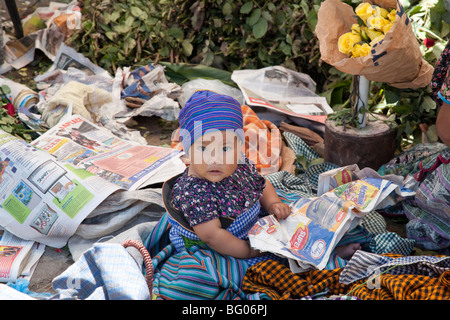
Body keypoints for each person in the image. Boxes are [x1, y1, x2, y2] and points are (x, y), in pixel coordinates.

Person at [166, 90, 290, 261]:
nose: (215, 158)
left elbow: (260, 184)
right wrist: (247, 251)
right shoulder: (194, 193)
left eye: (225, 149)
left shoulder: (239, 164)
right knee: (208, 272)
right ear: (188, 152)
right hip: (220, 247)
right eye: (203, 148)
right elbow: (212, 236)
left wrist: (273, 203)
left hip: (245, 226)